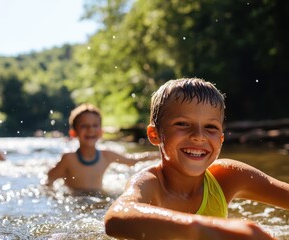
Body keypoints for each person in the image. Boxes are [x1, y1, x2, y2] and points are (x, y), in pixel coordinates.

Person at [104, 78, 289, 240]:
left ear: (221, 139)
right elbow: (115, 218)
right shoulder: (150, 184)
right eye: (183, 124)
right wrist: (204, 230)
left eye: (211, 127)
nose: (199, 136)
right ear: (155, 135)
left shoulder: (226, 178)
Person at [46, 103, 159, 193]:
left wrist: (159, 154)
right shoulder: (69, 159)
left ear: (101, 132)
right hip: (76, 200)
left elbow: (132, 161)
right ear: (73, 133)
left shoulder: (106, 156)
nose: (90, 129)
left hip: (98, 197)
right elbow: (49, 180)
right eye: (84, 126)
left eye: (95, 125)